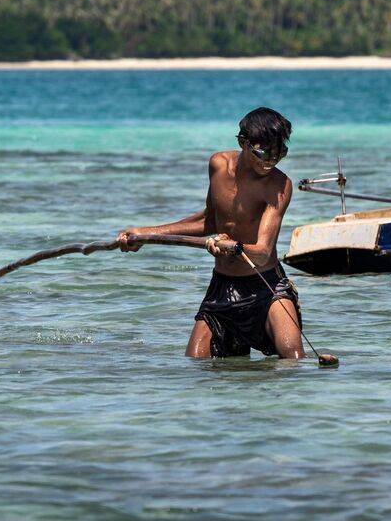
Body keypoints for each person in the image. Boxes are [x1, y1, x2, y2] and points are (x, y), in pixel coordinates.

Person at [116, 107, 306, 360]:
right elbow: (210, 221)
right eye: (264, 152)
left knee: (294, 360)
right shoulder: (218, 165)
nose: (271, 161)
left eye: (279, 153)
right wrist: (146, 234)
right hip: (222, 286)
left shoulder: (279, 185)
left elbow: (262, 253)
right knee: (195, 363)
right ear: (243, 142)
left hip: (266, 287)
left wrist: (232, 246)